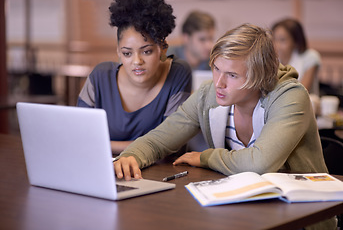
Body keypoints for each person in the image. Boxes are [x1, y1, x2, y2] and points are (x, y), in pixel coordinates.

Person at [114, 23, 336, 229]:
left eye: (232, 75)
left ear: (259, 76)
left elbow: (260, 163)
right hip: (241, 212)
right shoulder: (209, 94)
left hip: (302, 217)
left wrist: (206, 157)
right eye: (216, 68)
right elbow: (158, 139)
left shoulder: (290, 96)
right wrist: (131, 156)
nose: (219, 82)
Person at [77, 0, 192, 154]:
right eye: (127, 53)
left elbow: (170, 144)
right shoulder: (100, 77)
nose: (137, 61)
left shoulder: (178, 73)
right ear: (118, 51)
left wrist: (105, 146)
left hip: (159, 175)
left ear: (163, 48)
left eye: (147, 51)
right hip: (107, 171)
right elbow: (80, 137)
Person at [272, 18, 321, 95]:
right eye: (274, 39)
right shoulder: (272, 60)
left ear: (296, 41)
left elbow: (302, 91)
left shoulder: (310, 57)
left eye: (282, 40)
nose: (276, 45)